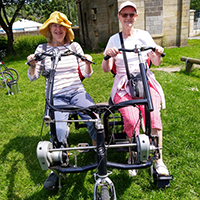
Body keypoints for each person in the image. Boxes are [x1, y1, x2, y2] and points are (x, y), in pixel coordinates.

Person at [27, 11, 97, 190]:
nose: (58, 29)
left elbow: (87, 74)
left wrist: (88, 62)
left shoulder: (74, 48)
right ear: (49, 28)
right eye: (55, 26)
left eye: (62, 26)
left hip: (76, 92)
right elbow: (32, 78)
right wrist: (33, 65)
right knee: (58, 129)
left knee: (95, 118)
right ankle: (59, 165)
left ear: (66, 30)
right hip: (56, 94)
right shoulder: (42, 50)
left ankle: (99, 153)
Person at [102, 1, 169, 177]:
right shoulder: (114, 39)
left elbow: (156, 62)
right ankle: (133, 155)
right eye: (125, 15)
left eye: (132, 14)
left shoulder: (144, 36)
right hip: (123, 84)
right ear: (119, 17)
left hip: (144, 81)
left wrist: (157, 52)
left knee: (153, 116)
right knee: (131, 120)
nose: (128, 18)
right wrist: (108, 56)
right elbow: (106, 69)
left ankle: (158, 159)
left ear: (136, 17)